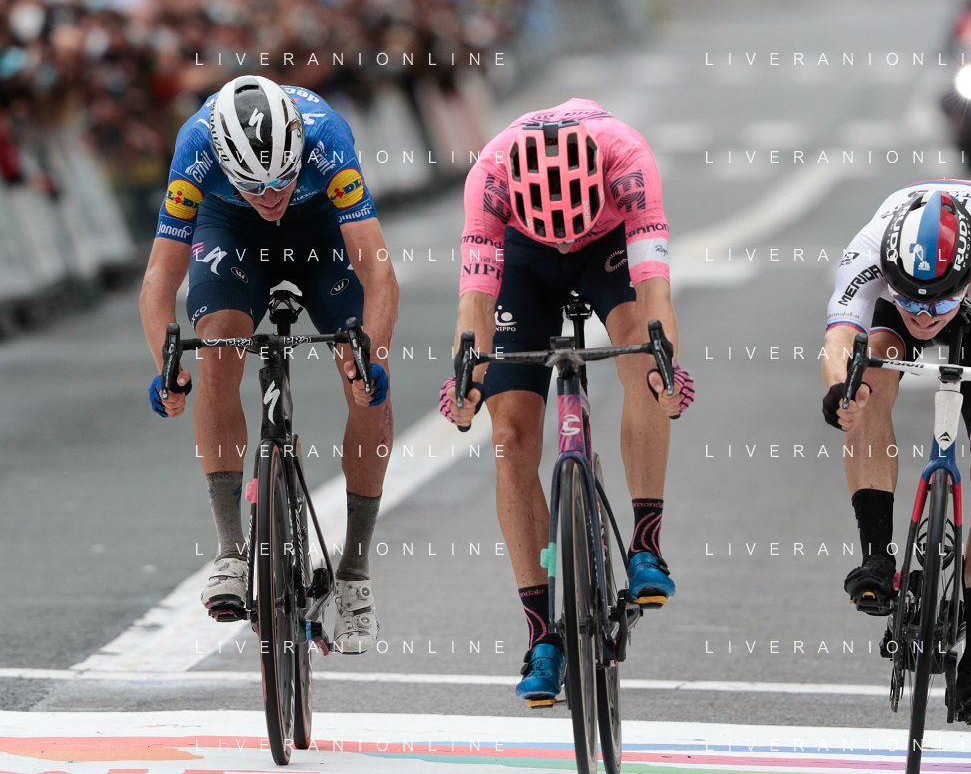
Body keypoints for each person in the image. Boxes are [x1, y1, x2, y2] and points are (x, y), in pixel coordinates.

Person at [439, 98, 694, 706]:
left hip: (607, 248)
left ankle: (646, 545)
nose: (564, 239)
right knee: (510, 439)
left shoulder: (628, 159)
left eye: (569, 226)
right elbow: (475, 305)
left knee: (643, 361)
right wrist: (466, 380)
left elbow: (655, 295)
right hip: (521, 260)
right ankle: (542, 637)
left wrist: (665, 370)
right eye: (557, 228)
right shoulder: (490, 177)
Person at [138, 75, 399, 654]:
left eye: (282, 179)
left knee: (363, 381)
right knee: (218, 348)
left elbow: (378, 271)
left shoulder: (327, 137)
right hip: (229, 230)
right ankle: (231, 551)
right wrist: (167, 366)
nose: (271, 195)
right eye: (255, 185)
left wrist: (371, 356)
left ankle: (355, 574)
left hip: (320, 230)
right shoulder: (196, 147)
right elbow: (159, 279)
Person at [821, 181, 971, 726]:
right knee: (867, 382)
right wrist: (842, 389)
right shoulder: (870, 250)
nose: (923, 315)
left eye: (935, 303)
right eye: (910, 298)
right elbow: (839, 338)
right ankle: (877, 558)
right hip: (901, 309)